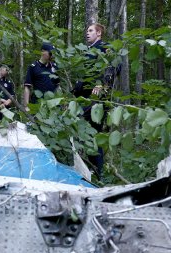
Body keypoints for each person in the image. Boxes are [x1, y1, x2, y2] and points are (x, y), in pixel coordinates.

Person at [72, 23, 109, 178]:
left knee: (93, 134)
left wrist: (102, 83)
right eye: (86, 30)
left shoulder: (104, 47)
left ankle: (98, 173)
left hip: (96, 101)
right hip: (84, 98)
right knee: (88, 134)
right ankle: (92, 170)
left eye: (90, 30)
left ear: (98, 32)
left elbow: (114, 65)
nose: (87, 33)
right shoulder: (87, 51)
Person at [23, 42, 59, 109]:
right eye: (50, 53)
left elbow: (57, 86)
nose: (52, 55)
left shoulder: (54, 67)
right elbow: (27, 87)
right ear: (43, 52)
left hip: (53, 105)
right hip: (38, 104)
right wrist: (26, 106)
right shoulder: (33, 67)